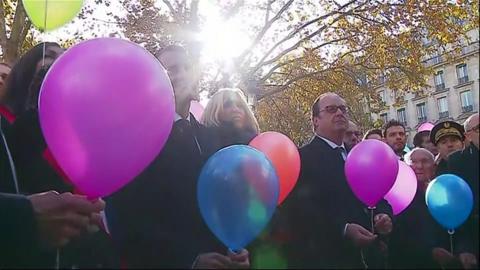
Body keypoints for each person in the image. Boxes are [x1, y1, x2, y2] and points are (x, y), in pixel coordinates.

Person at [106, 45, 249, 268]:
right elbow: (126, 219)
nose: (182, 74)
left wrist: (237, 248)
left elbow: (225, 204)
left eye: (187, 67)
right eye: (171, 69)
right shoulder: (138, 139)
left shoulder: (212, 137)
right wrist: (188, 261)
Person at [1, 43, 119, 268]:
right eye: (50, 56)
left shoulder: (76, 136)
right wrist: (24, 216)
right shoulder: (12, 127)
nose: (59, 63)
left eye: (64, 58)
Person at [283, 92, 393, 268]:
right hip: (327, 258)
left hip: (369, 258)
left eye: (343, 109)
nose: (340, 113)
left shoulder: (361, 156)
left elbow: (378, 196)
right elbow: (299, 211)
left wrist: (384, 215)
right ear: (315, 120)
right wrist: (343, 229)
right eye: (331, 109)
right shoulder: (301, 159)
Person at [390, 148, 464, 269]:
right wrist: (429, 252)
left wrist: (463, 250)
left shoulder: (446, 193)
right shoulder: (398, 198)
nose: (419, 166)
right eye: (413, 162)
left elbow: (462, 227)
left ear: (434, 167)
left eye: (425, 161)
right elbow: (398, 238)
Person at [447, 113, 479, 268]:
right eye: (479, 128)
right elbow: (454, 208)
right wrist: (464, 247)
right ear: (468, 136)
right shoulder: (457, 161)